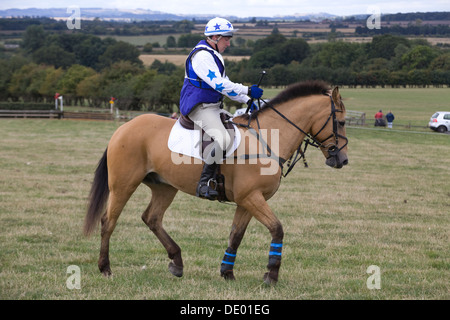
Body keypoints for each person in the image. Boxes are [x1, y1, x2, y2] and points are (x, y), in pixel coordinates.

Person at [179, 17, 263, 200]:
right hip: (198, 107)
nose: (229, 43)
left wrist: (248, 99)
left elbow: (227, 88)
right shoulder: (202, 56)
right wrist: (247, 89)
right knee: (224, 139)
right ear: (215, 37)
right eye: (227, 38)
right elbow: (219, 84)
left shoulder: (213, 55)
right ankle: (204, 182)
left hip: (213, 106)